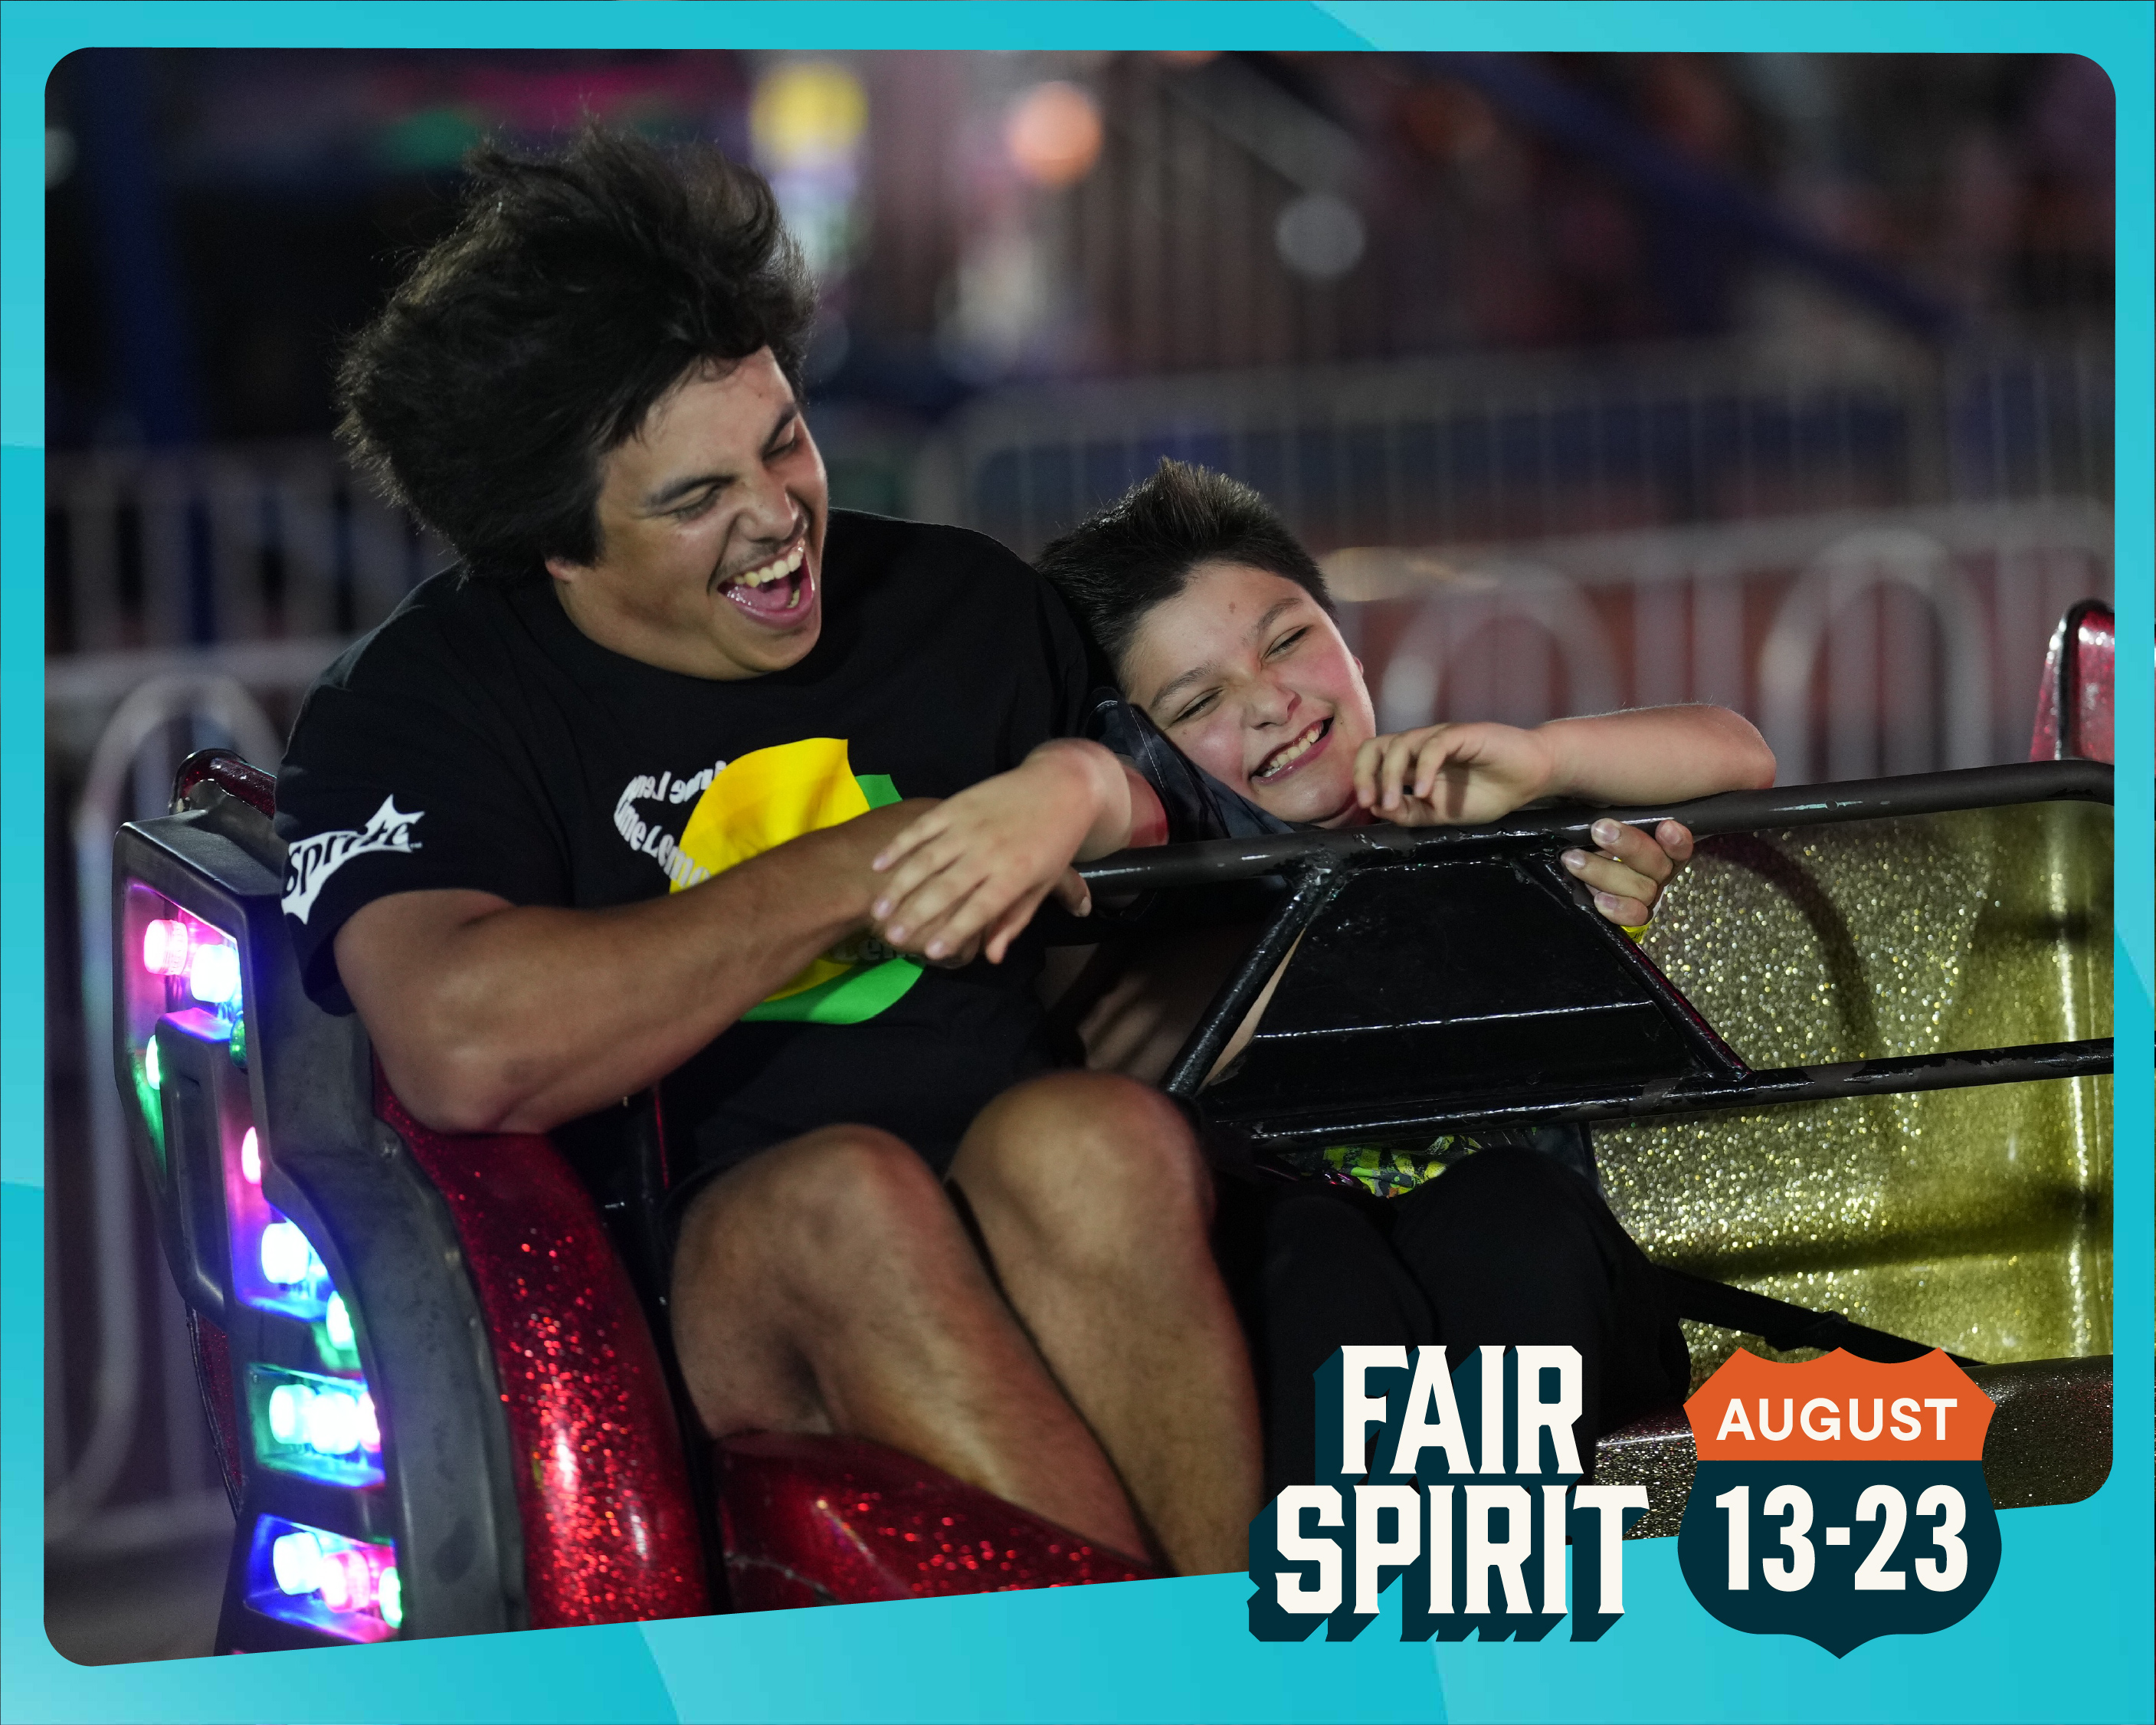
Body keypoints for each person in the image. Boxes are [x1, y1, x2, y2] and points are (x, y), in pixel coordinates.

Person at [274, 129, 1260, 1576]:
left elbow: (1236, 789)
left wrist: (1083, 788)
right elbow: (462, 1041)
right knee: (845, 1198)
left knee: (1094, 1141)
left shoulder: (963, 607)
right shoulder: (429, 699)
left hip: (1018, 1200)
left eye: (782, 442)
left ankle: (1216, 1655)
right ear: (554, 548)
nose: (777, 519)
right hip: (679, 1276)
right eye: (693, 501)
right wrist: (857, 866)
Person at [1035, 461, 1777, 1487]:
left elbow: (1736, 752)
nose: (1271, 703)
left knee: (1511, 1215)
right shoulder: (1146, 931)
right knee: (1306, 1262)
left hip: (1539, 1297)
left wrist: (1543, 765)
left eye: (1290, 640)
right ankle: (1348, 1618)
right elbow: (1125, 1067)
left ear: (1344, 634)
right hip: (1315, 1314)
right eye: (1200, 699)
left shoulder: (1464, 801)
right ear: (1133, 751)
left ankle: (1502, 1605)